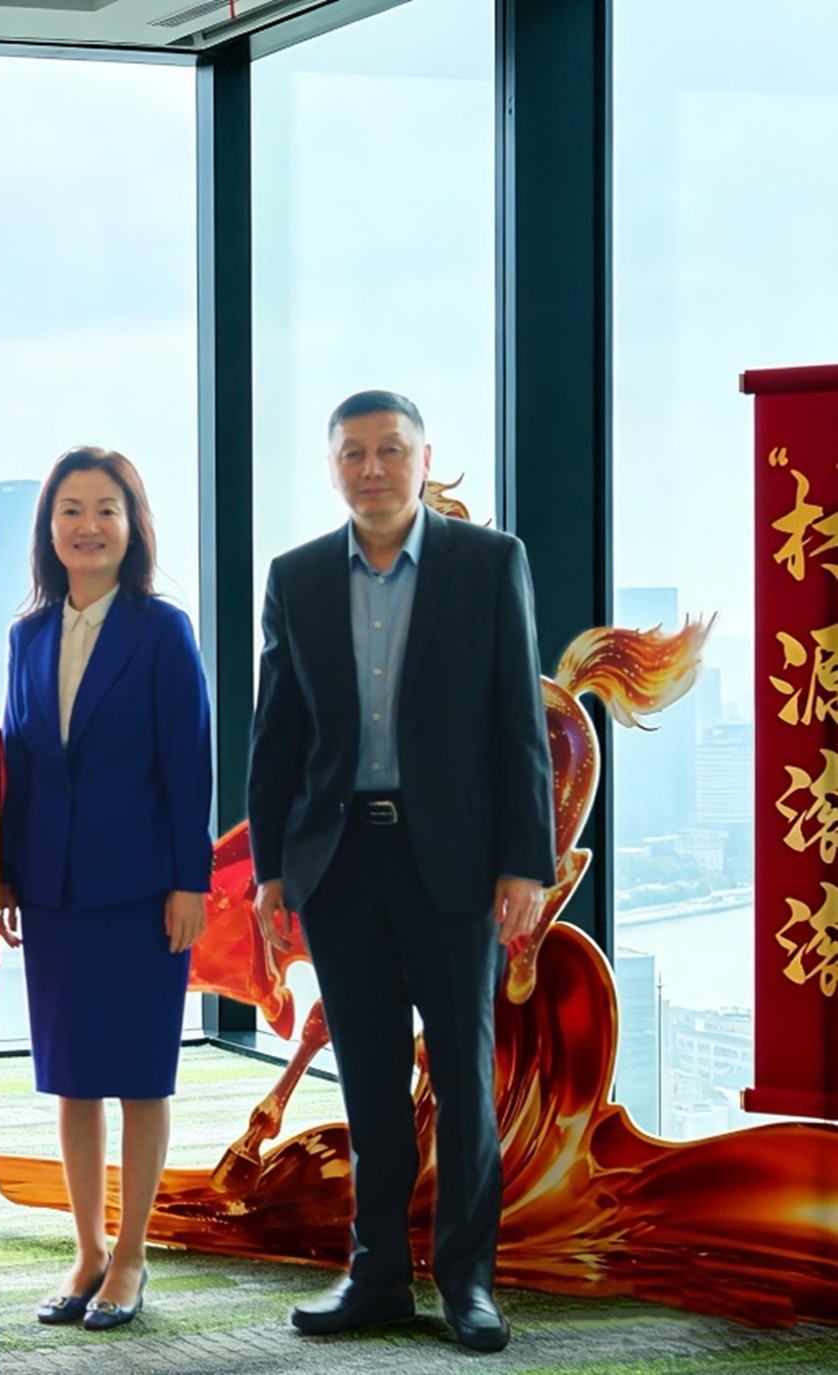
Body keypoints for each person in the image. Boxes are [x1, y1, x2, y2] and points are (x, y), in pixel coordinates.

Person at [248, 389, 555, 1354]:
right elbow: (276, 732)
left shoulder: (489, 562)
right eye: (353, 452)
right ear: (332, 466)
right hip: (340, 863)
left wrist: (526, 860)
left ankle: (468, 1281)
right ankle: (377, 1273)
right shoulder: (296, 576)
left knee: (461, 1076)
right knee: (370, 1079)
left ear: (425, 459)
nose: (371, 467)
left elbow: (519, 719)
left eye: (390, 449)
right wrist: (271, 869)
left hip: (455, 864)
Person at [0, 446, 212, 1333]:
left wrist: (190, 881)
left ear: (132, 527)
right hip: (52, 887)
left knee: (139, 1076)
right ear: (49, 529)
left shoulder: (162, 631)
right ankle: (86, 1251)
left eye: (106, 510)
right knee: (72, 1077)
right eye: (71, 510)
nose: (88, 526)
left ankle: (131, 1253)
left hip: (141, 888)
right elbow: (17, 761)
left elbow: (189, 765)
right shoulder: (27, 635)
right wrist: (5, 872)